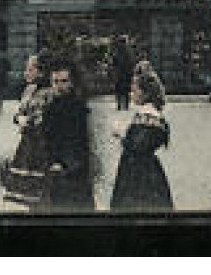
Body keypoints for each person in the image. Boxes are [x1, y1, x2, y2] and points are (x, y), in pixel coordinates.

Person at [109, 65, 174, 211]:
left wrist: (122, 133)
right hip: (139, 169)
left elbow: (138, 146)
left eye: (134, 90)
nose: (131, 94)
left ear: (145, 93)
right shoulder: (146, 114)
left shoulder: (149, 116)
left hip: (141, 174)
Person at [38, 56, 95, 211]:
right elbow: (47, 138)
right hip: (54, 170)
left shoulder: (77, 108)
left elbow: (78, 142)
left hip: (73, 171)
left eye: (64, 81)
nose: (59, 86)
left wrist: (63, 164)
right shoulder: (49, 107)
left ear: (71, 82)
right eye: (55, 82)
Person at [0, 52, 52, 206]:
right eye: (27, 69)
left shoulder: (49, 92)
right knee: (26, 195)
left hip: (41, 145)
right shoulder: (29, 90)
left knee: (40, 192)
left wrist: (29, 120)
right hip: (26, 145)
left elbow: (45, 119)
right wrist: (19, 119)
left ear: (41, 71)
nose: (26, 73)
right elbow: (19, 113)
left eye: (30, 69)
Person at [110, 35, 136, 111]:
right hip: (124, 74)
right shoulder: (128, 52)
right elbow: (132, 63)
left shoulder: (118, 51)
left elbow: (114, 62)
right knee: (125, 90)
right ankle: (124, 105)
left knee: (120, 90)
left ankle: (120, 105)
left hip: (121, 74)